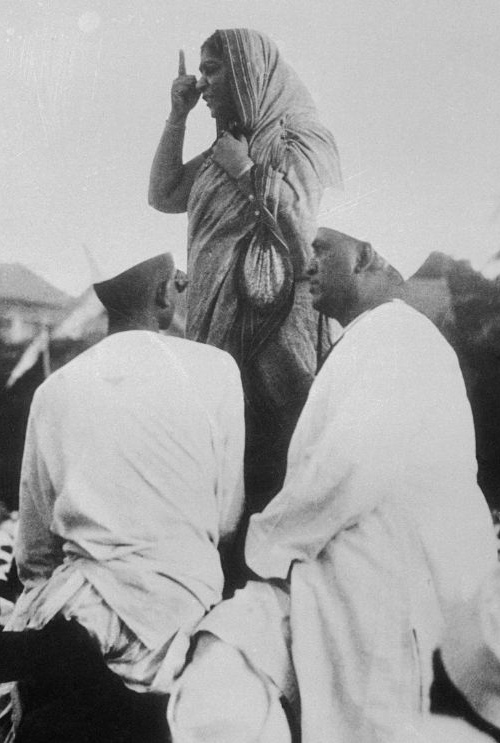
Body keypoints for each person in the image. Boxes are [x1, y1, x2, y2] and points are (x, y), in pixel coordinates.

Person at [168, 229, 497, 742]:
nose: (307, 266)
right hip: (365, 598)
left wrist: (260, 547)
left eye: (322, 249)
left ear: (365, 255)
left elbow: (346, 470)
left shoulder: (398, 336)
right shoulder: (372, 338)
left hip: (394, 602)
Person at [0, 252, 245, 741]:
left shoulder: (55, 389)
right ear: (165, 293)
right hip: (179, 624)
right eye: (180, 283)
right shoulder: (217, 369)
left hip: (76, 616)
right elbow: (226, 519)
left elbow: (33, 552)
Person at [148, 28, 342, 540]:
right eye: (202, 71)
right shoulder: (223, 146)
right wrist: (177, 117)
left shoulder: (302, 138)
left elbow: (304, 235)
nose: (202, 83)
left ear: (249, 73)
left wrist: (248, 172)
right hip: (214, 331)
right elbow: (163, 193)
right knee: (219, 459)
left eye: (213, 70)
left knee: (279, 455)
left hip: (278, 327)